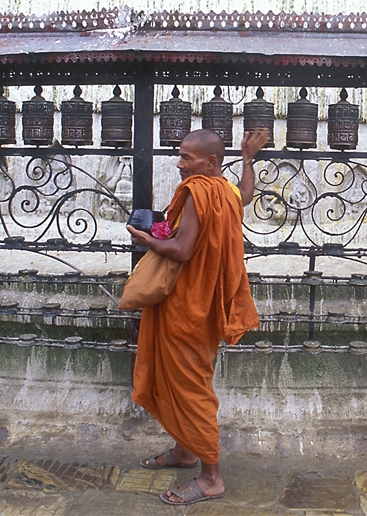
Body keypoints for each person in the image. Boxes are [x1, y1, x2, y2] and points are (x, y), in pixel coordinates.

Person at [126, 127, 269, 506]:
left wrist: (148, 241)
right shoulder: (222, 188)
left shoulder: (198, 190)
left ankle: (211, 478)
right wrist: (249, 159)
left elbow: (183, 249)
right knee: (185, 378)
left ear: (210, 162)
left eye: (186, 158)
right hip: (205, 302)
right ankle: (185, 450)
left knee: (191, 386)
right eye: (180, 155)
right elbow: (247, 195)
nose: (179, 164)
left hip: (186, 306)